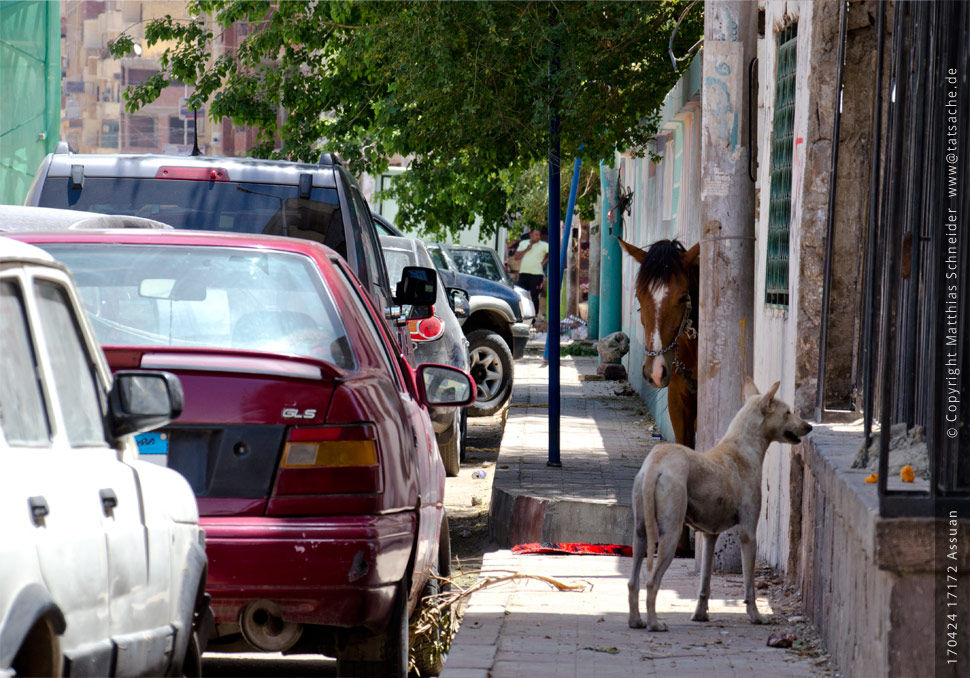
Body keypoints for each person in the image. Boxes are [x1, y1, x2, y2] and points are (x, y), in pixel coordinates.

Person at [511, 228, 549, 320]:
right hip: (524, 273)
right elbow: (516, 257)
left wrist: (544, 262)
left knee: (535, 296)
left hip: (536, 274)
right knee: (521, 294)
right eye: (536, 235)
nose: (538, 237)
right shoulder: (523, 243)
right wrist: (526, 250)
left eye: (539, 235)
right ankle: (521, 314)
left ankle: (534, 316)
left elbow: (553, 252)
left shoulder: (544, 245)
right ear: (531, 235)